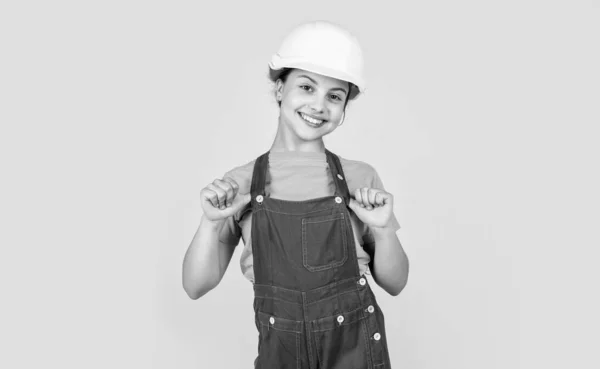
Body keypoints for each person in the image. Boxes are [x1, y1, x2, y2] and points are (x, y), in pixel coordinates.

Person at [183, 20, 409, 369]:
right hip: (282, 355)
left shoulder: (360, 178)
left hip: (354, 352)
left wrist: (380, 229)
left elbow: (395, 283)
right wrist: (210, 224)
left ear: (345, 107)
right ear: (279, 90)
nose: (319, 105)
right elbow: (195, 286)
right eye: (306, 87)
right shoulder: (239, 185)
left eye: (335, 96)